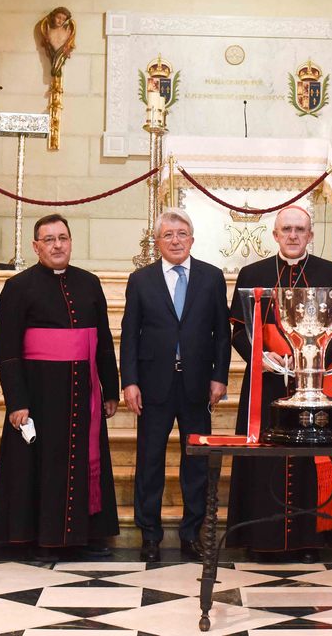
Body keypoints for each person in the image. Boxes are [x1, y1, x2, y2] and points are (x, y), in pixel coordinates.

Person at [225, 206, 332, 562]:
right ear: (275, 235)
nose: (293, 235)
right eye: (286, 230)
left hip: (314, 383)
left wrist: (317, 356)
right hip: (267, 382)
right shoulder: (254, 274)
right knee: (265, 459)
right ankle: (262, 538)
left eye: (300, 230)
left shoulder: (331, 273)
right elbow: (239, 329)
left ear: (310, 236)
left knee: (312, 460)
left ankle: (311, 541)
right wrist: (263, 358)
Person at [0, 214, 120, 560]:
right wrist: (16, 401)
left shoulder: (89, 283)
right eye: (48, 240)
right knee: (42, 466)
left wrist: (111, 389)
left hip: (83, 392)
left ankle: (87, 535)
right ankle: (41, 538)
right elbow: (6, 351)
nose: (57, 245)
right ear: (35, 246)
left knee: (83, 460)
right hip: (39, 395)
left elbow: (103, 341)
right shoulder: (18, 287)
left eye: (62, 238)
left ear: (70, 242)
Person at [121, 208, 231, 562]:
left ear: (192, 239)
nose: (175, 240)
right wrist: (130, 381)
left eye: (182, 233)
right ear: (157, 242)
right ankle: (149, 536)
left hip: (198, 384)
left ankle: (191, 533)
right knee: (150, 461)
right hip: (153, 385)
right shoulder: (141, 280)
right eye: (168, 235)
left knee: (196, 464)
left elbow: (222, 333)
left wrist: (220, 376)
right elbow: (130, 336)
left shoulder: (212, 277)